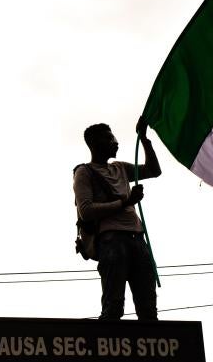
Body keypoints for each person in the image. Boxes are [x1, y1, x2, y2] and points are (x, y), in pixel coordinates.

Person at [73, 117, 162, 320]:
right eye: (109, 138)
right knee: (113, 306)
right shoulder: (84, 172)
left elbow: (153, 170)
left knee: (148, 307)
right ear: (95, 144)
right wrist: (125, 202)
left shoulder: (119, 167)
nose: (115, 142)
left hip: (137, 239)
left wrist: (145, 140)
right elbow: (85, 210)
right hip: (111, 240)